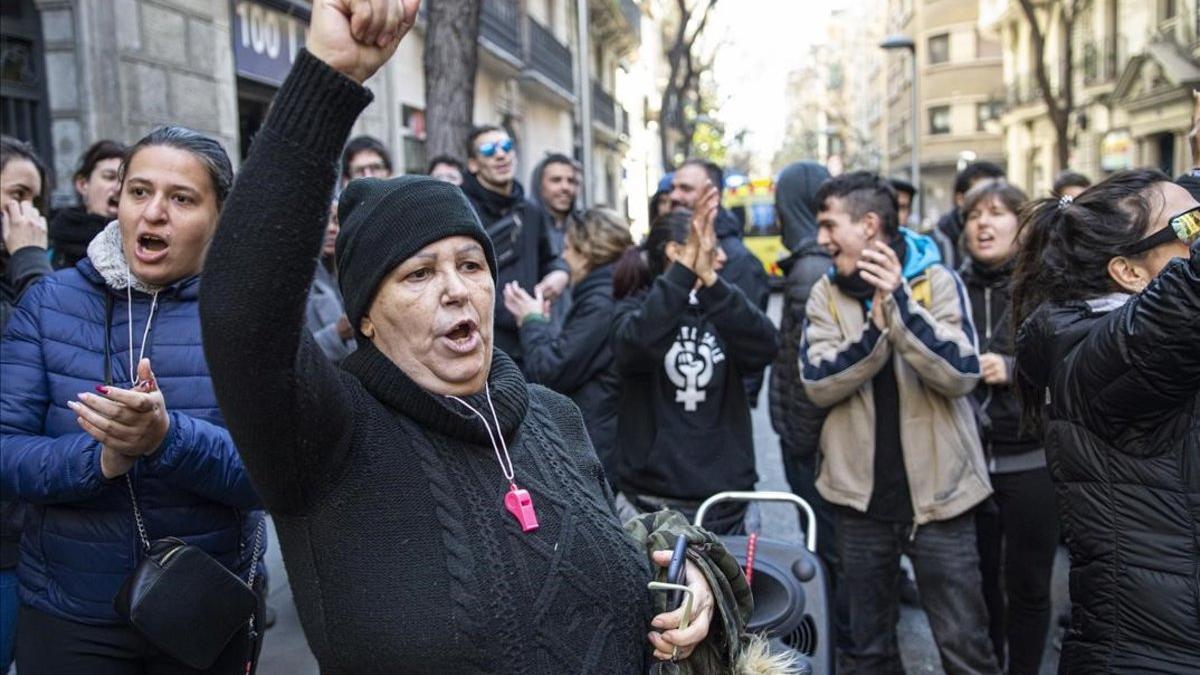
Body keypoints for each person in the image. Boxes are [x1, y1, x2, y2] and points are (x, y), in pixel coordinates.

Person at [198, 5, 778, 673]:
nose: (454, 288)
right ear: (364, 316)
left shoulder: (553, 416)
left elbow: (620, 551)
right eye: (418, 272)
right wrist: (328, 78)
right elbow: (242, 312)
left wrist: (693, 578)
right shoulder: (328, 433)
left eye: (470, 265)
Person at [0, 126, 265, 673]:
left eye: (182, 198)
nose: (154, 213)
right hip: (69, 613)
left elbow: (277, 476)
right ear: (116, 200)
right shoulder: (48, 304)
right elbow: (6, 454)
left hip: (202, 605)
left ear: (221, 216)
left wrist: (168, 439)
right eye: (139, 192)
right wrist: (101, 459)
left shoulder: (251, 314)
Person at [800, 171, 998, 674]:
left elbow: (961, 372)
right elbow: (817, 381)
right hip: (859, 503)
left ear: (868, 225)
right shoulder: (825, 293)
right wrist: (876, 329)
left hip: (943, 500)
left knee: (965, 649)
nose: (820, 239)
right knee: (867, 652)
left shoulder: (937, 280)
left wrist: (901, 308)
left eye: (829, 225)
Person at [1011, 169, 1200, 673]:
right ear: (1129, 273)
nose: (1199, 234)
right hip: (1154, 655)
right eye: (1193, 228)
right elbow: (1188, 298)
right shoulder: (1096, 352)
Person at [611, 205, 779, 534]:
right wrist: (684, 273)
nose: (723, 259)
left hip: (726, 502)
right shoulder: (633, 309)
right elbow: (635, 344)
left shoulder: (723, 306)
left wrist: (713, 284)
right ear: (676, 253)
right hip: (650, 500)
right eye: (713, 249)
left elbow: (765, 345)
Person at [959, 181, 1056, 674]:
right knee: (978, 585)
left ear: (1022, 224)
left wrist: (1012, 366)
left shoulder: (1047, 285)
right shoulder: (948, 286)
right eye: (975, 214)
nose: (983, 223)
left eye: (997, 213)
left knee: (1029, 585)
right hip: (969, 462)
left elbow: (1072, 362)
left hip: (1031, 459)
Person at [501, 207, 630, 483]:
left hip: (602, 440)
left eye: (569, 248)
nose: (563, 256)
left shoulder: (601, 302)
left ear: (588, 253)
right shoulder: (607, 291)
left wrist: (531, 320)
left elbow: (551, 370)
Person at [0, 134, 52, 675]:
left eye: (35, 201)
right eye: (16, 196)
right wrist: (31, 262)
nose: (27, 214)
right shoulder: (24, 270)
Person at [460, 124, 568, 368]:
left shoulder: (531, 210)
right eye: (489, 150)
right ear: (473, 164)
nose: (501, 155)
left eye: (507, 147)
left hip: (527, 340)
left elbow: (549, 258)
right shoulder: (459, 209)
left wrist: (560, 273)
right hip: (476, 340)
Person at [669, 159, 771, 406]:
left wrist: (728, 412)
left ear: (712, 196)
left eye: (685, 189)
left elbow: (753, 349)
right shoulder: (666, 242)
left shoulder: (740, 262)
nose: (674, 196)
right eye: (673, 188)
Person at [48, 139, 127, 269]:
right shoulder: (51, 243)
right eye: (109, 177)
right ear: (83, 184)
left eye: (125, 180)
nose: (119, 188)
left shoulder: (141, 247)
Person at [306, 199, 355, 360]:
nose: (331, 229)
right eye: (322, 221)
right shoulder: (298, 286)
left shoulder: (350, 273)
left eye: (336, 220)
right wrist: (336, 334)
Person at [934, 161, 1005, 268]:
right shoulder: (935, 246)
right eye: (982, 194)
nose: (983, 221)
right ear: (960, 199)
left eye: (996, 213)